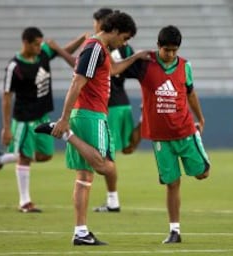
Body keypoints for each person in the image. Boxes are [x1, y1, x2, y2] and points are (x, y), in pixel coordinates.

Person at [35, 11, 150, 245]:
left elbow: (115, 70)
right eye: (125, 38)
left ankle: (80, 232)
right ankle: (67, 134)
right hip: (91, 115)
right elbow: (77, 82)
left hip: (90, 114)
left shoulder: (100, 49)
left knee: (84, 177)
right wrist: (65, 120)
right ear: (115, 30)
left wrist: (137, 55)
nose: (125, 43)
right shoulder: (95, 48)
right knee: (104, 167)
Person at [126, 25, 211, 243]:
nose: (170, 54)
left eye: (174, 50)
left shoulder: (185, 66)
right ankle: (175, 231)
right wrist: (135, 54)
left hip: (185, 131)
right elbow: (116, 67)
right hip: (160, 138)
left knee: (203, 174)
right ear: (158, 47)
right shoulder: (145, 65)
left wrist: (199, 117)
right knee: (172, 183)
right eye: (167, 50)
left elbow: (190, 93)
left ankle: (197, 143)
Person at [0, 27, 84, 213]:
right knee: (25, 157)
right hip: (24, 118)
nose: (41, 47)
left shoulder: (42, 54)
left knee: (46, 155)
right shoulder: (14, 67)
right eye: (37, 44)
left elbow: (63, 51)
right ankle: (25, 202)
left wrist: (81, 39)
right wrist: (6, 128)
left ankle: (1, 158)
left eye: (41, 43)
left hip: (42, 114)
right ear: (26, 43)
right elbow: (7, 97)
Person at [91, 8, 142, 213]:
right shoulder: (127, 49)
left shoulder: (102, 46)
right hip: (123, 103)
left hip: (108, 106)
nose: (95, 27)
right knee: (121, 150)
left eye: (96, 22)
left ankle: (113, 201)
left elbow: (83, 71)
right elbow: (137, 72)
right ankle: (142, 122)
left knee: (105, 156)